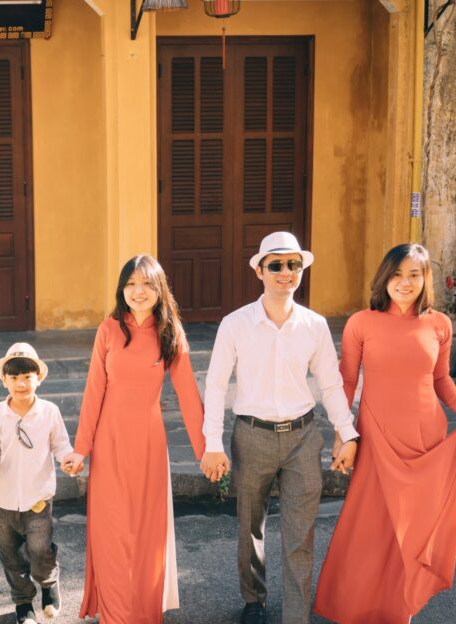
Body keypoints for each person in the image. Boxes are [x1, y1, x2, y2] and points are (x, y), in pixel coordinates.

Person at [314, 243, 456, 624]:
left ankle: (399, 608)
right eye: (397, 274)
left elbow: (441, 379)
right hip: (376, 437)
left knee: (413, 529)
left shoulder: (438, 324)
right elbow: (347, 381)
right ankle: (353, 605)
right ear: (384, 278)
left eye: (414, 275)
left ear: (426, 280)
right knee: (370, 526)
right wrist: (343, 434)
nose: (405, 283)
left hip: (426, 439)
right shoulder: (361, 323)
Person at [201, 231, 358, 624]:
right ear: (259, 271)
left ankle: (294, 615)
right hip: (251, 435)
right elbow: (216, 384)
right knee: (250, 528)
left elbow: (330, 382)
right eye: (276, 265)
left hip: (303, 438)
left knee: (299, 534)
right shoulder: (235, 324)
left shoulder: (314, 325)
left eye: (294, 264)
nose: (286, 272)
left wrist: (347, 431)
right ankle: (254, 600)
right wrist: (212, 443)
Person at [61, 254, 206, 624]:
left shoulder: (170, 333)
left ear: (159, 289)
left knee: (145, 536)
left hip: (148, 445)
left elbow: (189, 395)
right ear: (121, 289)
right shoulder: (108, 330)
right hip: (109, 443)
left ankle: (142, 612)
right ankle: (114, 615)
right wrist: (81, 449)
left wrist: (207, 451)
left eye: (146, 284)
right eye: (130, 284)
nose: (138, 292)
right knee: (111, 534)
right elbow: (94, 391)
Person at [0, 342, 73, 624]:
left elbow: (61, 445)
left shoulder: (48, 411)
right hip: (5, 498)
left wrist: (68, 460)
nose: (21, 384)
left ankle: (49, 584)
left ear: (39, 378)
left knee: (40, 549)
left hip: (38, 497)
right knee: (10, 554)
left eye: (27, 377)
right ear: (4, 381)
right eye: (14, 378)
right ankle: (23, 602)